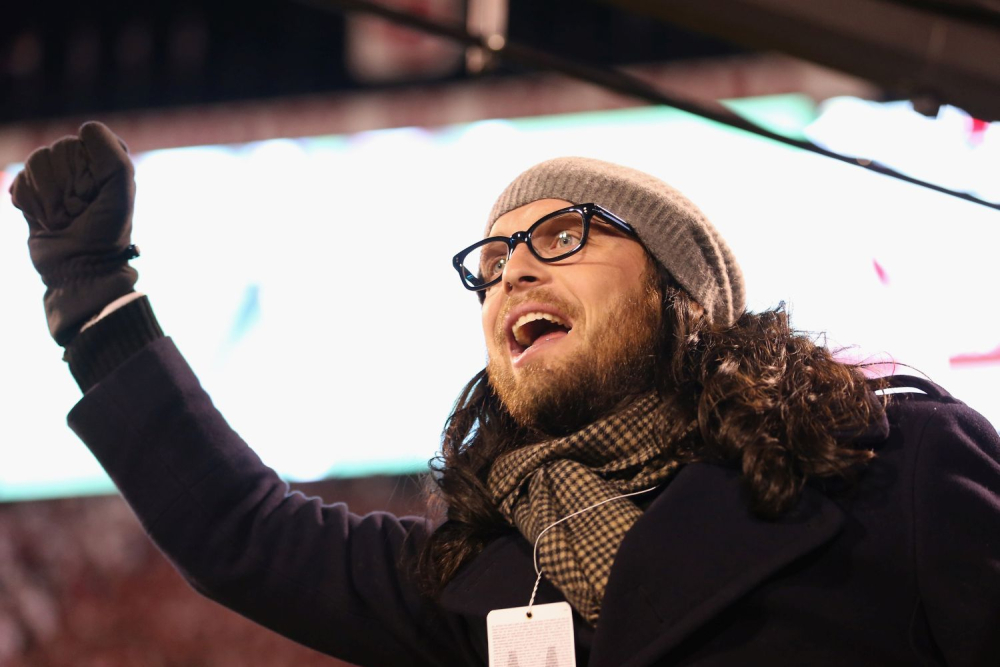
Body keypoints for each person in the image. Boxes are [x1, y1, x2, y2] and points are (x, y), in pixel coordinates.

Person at [8, 122, 1000, 667]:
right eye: (490, 262)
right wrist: (95, 296)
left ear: (680, 294)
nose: (512, 274)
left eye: (561, 236)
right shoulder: (478, 579)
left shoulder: (885, 460)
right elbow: (245, 536)